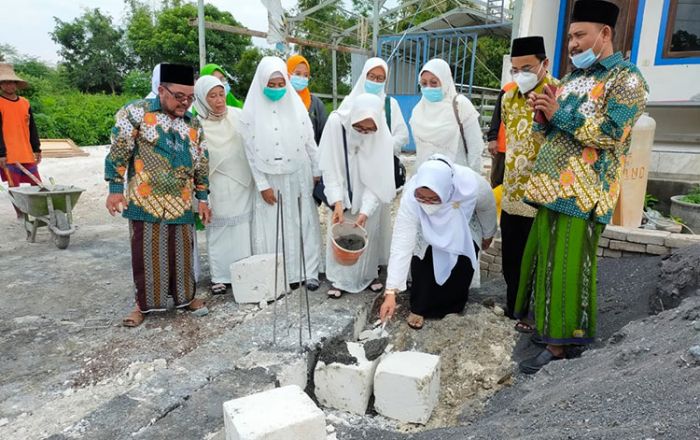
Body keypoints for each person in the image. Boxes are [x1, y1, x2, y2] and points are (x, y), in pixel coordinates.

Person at [515, 0, 648, 373]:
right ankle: (547, 330)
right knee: (546, 264)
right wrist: (543, 116)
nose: (572, 44)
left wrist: (560, 114)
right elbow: (557, 132)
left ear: (604, 34)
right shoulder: (572, 80)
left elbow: (611, 133)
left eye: (579, 35)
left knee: (567, 268)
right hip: (552, 189)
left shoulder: (627, 80)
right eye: (571, 36)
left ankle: (561, 346)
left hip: (585, 193)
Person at [105, 63, 211, 327]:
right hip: (145, 201)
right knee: (147, 255)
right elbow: (119, 151)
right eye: (179, 97)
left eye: (190, 97)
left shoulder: (192, 122)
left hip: (181, 201)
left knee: (183, 254)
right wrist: (115, 189)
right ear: (161, 90)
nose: (185, 103)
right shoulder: (136, 113)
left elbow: (201, 162)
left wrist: (203, 198)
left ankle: (186, 299)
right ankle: (143, 305)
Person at [379, 154, 497, 329]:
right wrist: (391, 292)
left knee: (460, 267)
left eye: (433, 198)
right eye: (422, 198)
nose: (426, 203)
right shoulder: (411, 196)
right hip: (426, 229)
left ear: (446, 190)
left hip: (462, 227)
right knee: (424, 264)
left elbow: (488, 209)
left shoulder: (472, 184)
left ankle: (453, 308)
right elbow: (402, 241)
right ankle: (420, 307)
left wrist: (488, 234)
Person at [241, 56, 322, 290]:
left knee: (303, 221)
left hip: (299, 173)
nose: (276, 89)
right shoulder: (251, 113)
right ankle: (282, 274)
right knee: (275, 225)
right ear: (262, 84)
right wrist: (262, 184)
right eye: (271, 85)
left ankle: (309, 271)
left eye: (280, 84)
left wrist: (316, 171)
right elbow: (250, 152)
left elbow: (310, 142)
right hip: (270, 178)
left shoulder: (296, 107)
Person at [499, 36, 558, 328]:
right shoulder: (508, 98)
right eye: (515, 69)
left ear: (544, 64)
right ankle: (515, 308)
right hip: (512, 192)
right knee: (511, 256)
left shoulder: (559, 92)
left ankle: (536, 314)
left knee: (539, 258)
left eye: (527, 67)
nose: (520, 74)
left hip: (542, 194)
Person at [319, 93, 396, 298]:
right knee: (339, 230)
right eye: (359, 128)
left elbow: (378, 178)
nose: (363, 133)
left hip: (368, 192)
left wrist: (365, 210)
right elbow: (330, 167)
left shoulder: (382, 138)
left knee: (365, 230)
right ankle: (338, 280)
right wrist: (337, 201)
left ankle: (367, 276)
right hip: (341, 190)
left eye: (369, 130)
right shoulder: (337, 124)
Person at [338, 57, 409, 267]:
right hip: (353, 170)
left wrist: (381, 147)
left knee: (375, 220)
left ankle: (372, 269)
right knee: (350, 216)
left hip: (379, 169)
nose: (375, 81)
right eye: (372, 76)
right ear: (364, 76)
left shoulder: (390, 104)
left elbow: (402, 136)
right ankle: (345, 269)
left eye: (380, 78)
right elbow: (340, 134)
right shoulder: (349, 102)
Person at [193, 75, 254, 295]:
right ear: (201, 98)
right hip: (215, 185)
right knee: (219, 229)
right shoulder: (196, 125)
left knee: (243, 229)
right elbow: (196, 160)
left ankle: (244, 270)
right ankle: (220, 275)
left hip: (242, 182)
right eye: (212, 96)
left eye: (221, 94)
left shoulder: (238, 116)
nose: (219, 101)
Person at [410, 58, 484, 172]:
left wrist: (472, 180)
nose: (428, 87)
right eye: (424, 83)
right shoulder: (418, 110)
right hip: (427, 180)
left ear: (445, 81)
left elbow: (475, 148)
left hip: (456, 179)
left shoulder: (460, 105)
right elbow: (420, 154)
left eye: (434, 82)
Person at [0, 63, 42, 217]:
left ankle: (39, 211)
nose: (8, 85)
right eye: (4, 82)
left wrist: (37, 148)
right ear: (1, 85)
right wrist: (1, 153)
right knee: (14, 186)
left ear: (16, 84)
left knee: (37, 183)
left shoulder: (25, 103)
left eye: (11, 82)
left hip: (26, 151)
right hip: (8, 154)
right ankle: (21, 214)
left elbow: (32, 128)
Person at [287, 54, 328, 145]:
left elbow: (325, 135)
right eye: (297, 74)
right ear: (288, 74)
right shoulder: (281, 101)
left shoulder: (316, 104)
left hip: (311, 157)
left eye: (305, 75)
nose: (302, 78)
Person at [486, 82, 516, 188]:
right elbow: (496, 116)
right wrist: (492, 138)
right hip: (503, 147)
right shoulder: (508, 89)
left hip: (526, 152)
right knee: (497, 182)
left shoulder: (545, 88)